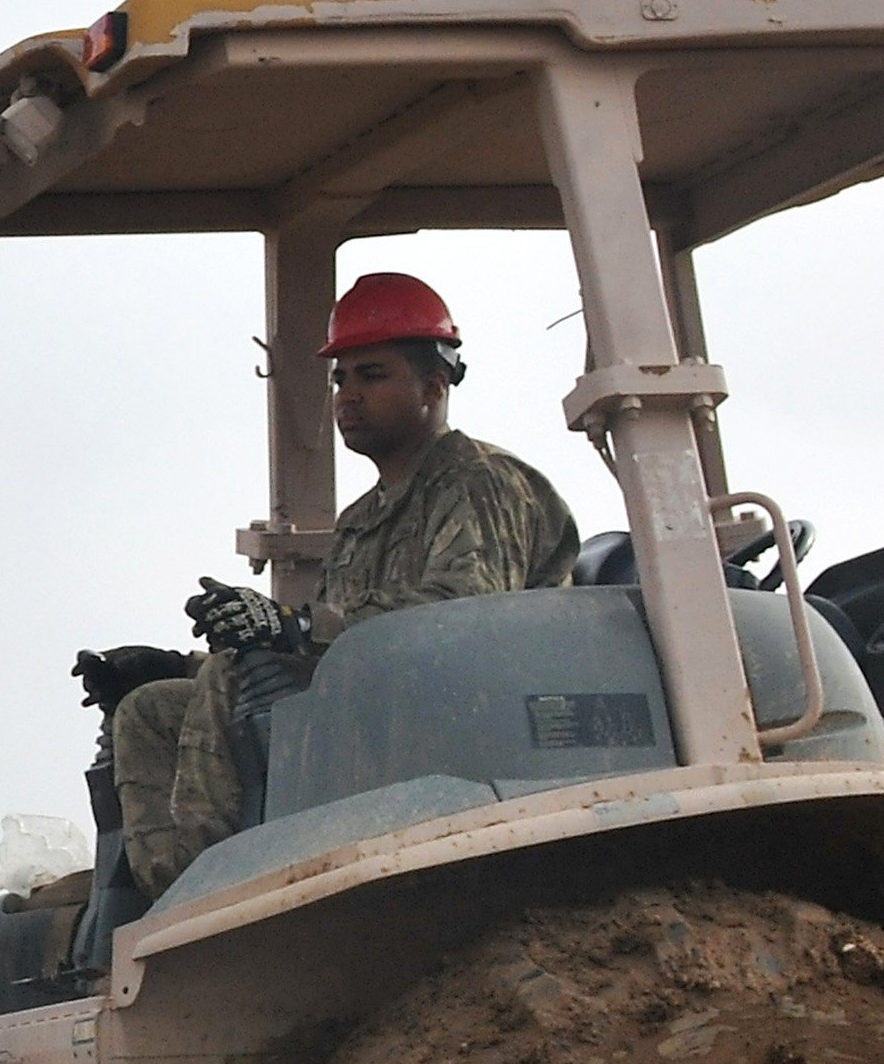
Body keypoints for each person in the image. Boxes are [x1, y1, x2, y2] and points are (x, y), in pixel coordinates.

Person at [100, 271, 577, 885]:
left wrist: (292, 627)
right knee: (150, 710)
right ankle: (170, 895)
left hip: (467, 717)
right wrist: (180, 663)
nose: (347, 396)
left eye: (371, 375)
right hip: (372, 706)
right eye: (340, 379)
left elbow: (462, 617)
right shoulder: (364, 518)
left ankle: (214, 890)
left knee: (231, 675)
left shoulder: (480, 483)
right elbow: (318, 645)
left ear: (433, 384)